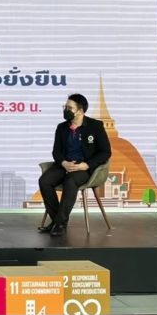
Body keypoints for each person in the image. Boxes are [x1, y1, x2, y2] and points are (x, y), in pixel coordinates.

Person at [38, 93, 112, 236]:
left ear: (80, 110)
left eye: (69, 108)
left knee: (70, 181)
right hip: (65, 165)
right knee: (44, 181)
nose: (65, 110)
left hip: (84, 168)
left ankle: (59, 223)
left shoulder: (95, 126)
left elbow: (105, 152)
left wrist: (87, 165)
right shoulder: (61, 127)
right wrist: (64, 163)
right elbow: (56, 151)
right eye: (65, 107)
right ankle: (58, 221)